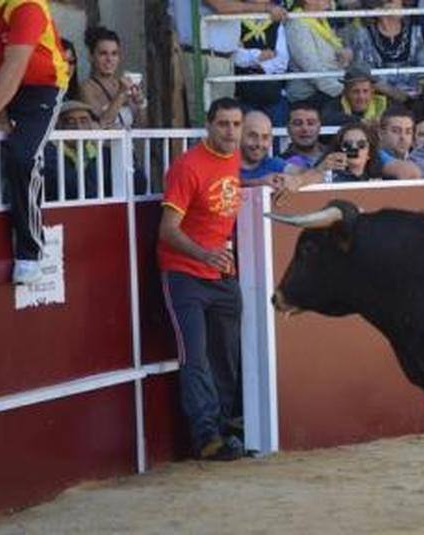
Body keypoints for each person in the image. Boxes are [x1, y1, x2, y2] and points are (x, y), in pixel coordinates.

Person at [157, 98, 292, 461]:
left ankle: (222, 427)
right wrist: (203, 253)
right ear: (209, 126)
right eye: (224, 125)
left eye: (236, 125)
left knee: (225, 356)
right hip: (186, 272)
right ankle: (207, 438)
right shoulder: (187, 167)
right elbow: (167, 230)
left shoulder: (233, 159)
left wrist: (264, 181)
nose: (231, 132)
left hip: (222, 273)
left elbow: (237, 180)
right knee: (197, 357)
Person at [0, 0, 70, 285]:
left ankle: (30, 250)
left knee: (23, 157)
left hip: (42, 87)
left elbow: (15, 67)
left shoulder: (27, 5)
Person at [339, 0, 424, 102]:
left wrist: (421, 87)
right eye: (397, 4)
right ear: (380, 8)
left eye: (403, 4)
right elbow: (364, 71)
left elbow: (423, 65)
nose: (403, 8)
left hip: (415, 95)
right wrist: (394, 93)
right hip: (379, 96)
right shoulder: (363, 34)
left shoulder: (414, 31)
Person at [285, 0, 354, 106]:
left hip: (333, 85)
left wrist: (344, 56)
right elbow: (312, 69)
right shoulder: (297, 25)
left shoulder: (320, 19)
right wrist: (344, 92)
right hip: (310, 94)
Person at [234, 0, 290, 127]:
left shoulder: (277, 21)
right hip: (243, 91)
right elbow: (235, 56)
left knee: (276, 133)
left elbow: (282, 61)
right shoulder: (236, 18)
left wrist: (256, 64)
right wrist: (258, 55)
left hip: (271, 90)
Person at [81, 26, 147, 129]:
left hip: (128, 145)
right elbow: (104, 123)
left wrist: (140, 103)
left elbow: (141, 126)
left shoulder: (121, 85)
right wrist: (121, 94)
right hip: (104, 145)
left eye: (114, 54)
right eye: (103, 54)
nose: (109, 59)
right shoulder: (87, 87)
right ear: (91, 57)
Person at [321, 68, 389, 126]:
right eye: (355, 91)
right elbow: (326, 119)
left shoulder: (384, 103)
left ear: (372, 91)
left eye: (365, 91)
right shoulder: (335, 105)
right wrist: (360, 121)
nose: (361, 97)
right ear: (346, 92)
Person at [372, 105, 422, 179]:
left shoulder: (417, 157)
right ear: (381, 134)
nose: (403, 137)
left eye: (408, 132)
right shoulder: (373, 157)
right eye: (396, 131)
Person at [279, 101, 327, 169]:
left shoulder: (334, 155)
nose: (305, 129)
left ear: (319, 127)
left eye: (311, 123)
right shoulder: (279, 164)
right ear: (288, 128)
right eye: (298, 123)